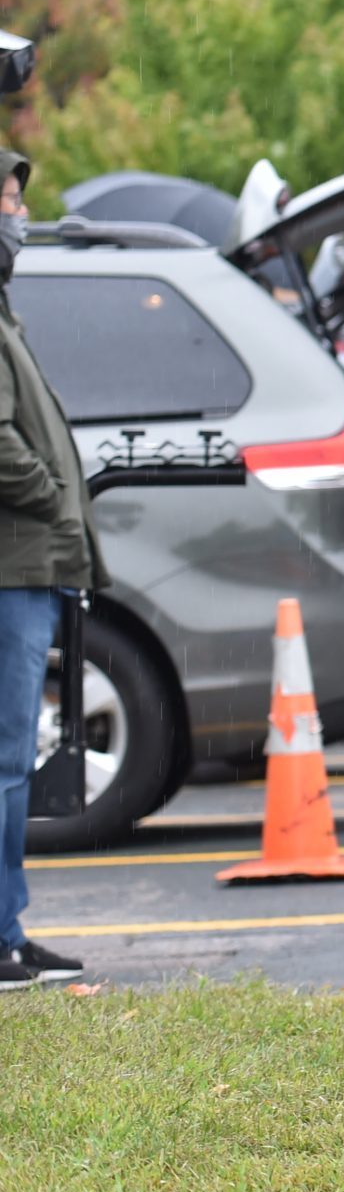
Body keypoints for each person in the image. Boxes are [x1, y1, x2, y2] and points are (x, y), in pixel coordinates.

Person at [0, 150, 95, 993]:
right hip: (12, 565)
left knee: (10, 756)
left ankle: (10, 931)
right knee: (4, 758)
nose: (17, 212)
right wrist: (52, 498)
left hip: (28, 563)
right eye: (5, 197)